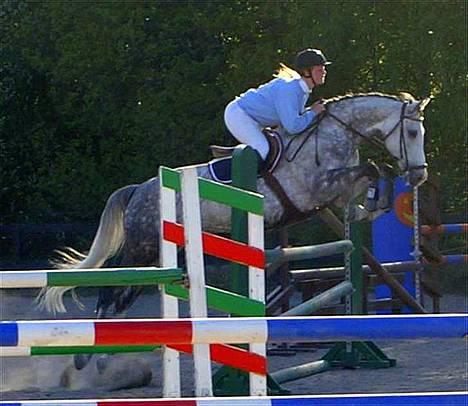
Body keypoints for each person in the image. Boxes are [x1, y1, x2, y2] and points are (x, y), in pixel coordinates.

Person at [224, 48, 331, 167]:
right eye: (319, 69)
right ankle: (229, 177)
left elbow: (295, 119)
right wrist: (312, 112)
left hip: (251, 118)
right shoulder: (290, 90)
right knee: (263, 149)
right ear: (306, 71)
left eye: (324, 68)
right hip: (239, 115)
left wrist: (311, 111)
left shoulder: (301, 89)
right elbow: (293, 127)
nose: (324, 72)